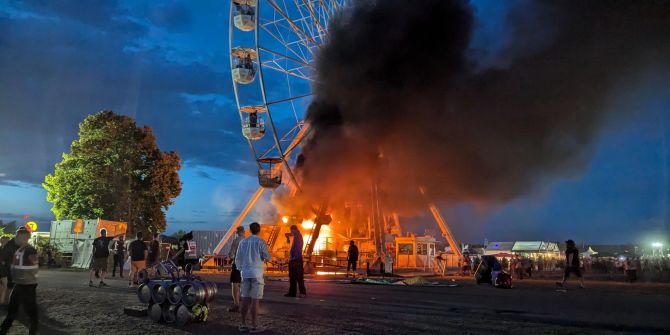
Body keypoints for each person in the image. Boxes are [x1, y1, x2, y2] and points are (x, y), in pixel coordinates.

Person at [0, 229, 38, 335]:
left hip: (27, 285)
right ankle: (3, 330)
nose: (15, 239)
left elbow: (32, 268)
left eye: (17, 237)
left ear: (24, 238)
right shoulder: (19, 250)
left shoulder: (28, 250)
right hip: (21, 285)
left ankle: (4, 330)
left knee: (30, 313)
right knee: (13, 311)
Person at [235, 222, 270, 333]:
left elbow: (238, 259)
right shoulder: (261, 242)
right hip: (257, 274)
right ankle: (254, 326)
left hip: (245, 274)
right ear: (259, 230)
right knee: (255, 300)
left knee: (245, 299)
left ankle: (243, 324)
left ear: (249, 230)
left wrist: (242, 270)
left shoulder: (243, 242)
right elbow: (267, 257)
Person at [285, 225, 306, 298]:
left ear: (293, 230)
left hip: (296, 260)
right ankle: (292, 293)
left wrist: (294, 258)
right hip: (295, 259)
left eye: (291, 231)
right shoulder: (297, 235)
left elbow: (297, 248)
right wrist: (287, 236)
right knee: (293, 277)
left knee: (298, 277)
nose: (291, 232)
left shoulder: (297, 236)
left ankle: (300, 293)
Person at [228, 226, 245, 312]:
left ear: (238, 232)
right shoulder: (248, 241)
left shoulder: (236, 241)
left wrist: (231, 258)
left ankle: (236, 305)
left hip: (237, 265)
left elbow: (231, 254)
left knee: (235, 284)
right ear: (244, 232)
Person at [0, 236, 11, 305]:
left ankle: (3, 301)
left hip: (4, 271)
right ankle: (2, 302)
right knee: (5, 287)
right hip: (4, 271)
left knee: (4, 287)